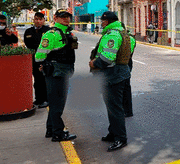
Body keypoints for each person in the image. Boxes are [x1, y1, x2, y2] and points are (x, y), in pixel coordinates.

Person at [89, 11, 132, 152]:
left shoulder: (112, 34)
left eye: (102, 21)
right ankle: (113, 132)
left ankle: (120, 138)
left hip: (113, 76)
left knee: (115, 108)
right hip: (119, 73)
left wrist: (94, 64)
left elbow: (107, 58)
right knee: (112, 107)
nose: (101, 23)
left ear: (107, 21)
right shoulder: (121, 31)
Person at [35, 9, 79, 142]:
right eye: (63, 17)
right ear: (55, 18)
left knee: (56, 103)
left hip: (63, 71)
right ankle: (58, 133)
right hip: (55, 72)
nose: (66, 19)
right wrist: (44, 64)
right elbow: (39, 55)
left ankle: (51, 129)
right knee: (57, 104)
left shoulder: (67, 33)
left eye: (68, 17)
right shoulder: (51, 34)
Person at [24, 12, 51, 108]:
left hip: (45, 60)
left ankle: (46, 99)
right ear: (33, 20)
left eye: (40, 19)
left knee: (45, 80)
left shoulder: (48, 31)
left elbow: (48, 45)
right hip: (34, 60)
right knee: (37, 80)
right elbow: (28, 44)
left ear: (44, 20)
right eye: (36, 19)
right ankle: (39, 99)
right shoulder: (28, 31)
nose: (38, 21)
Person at [120, 22, 136, 118]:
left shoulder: (126, 38)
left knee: (123, 87)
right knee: (126, 87)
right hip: (127, 63)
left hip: (124, 63)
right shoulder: (130, 37)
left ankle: (125, 110)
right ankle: (127, 110)